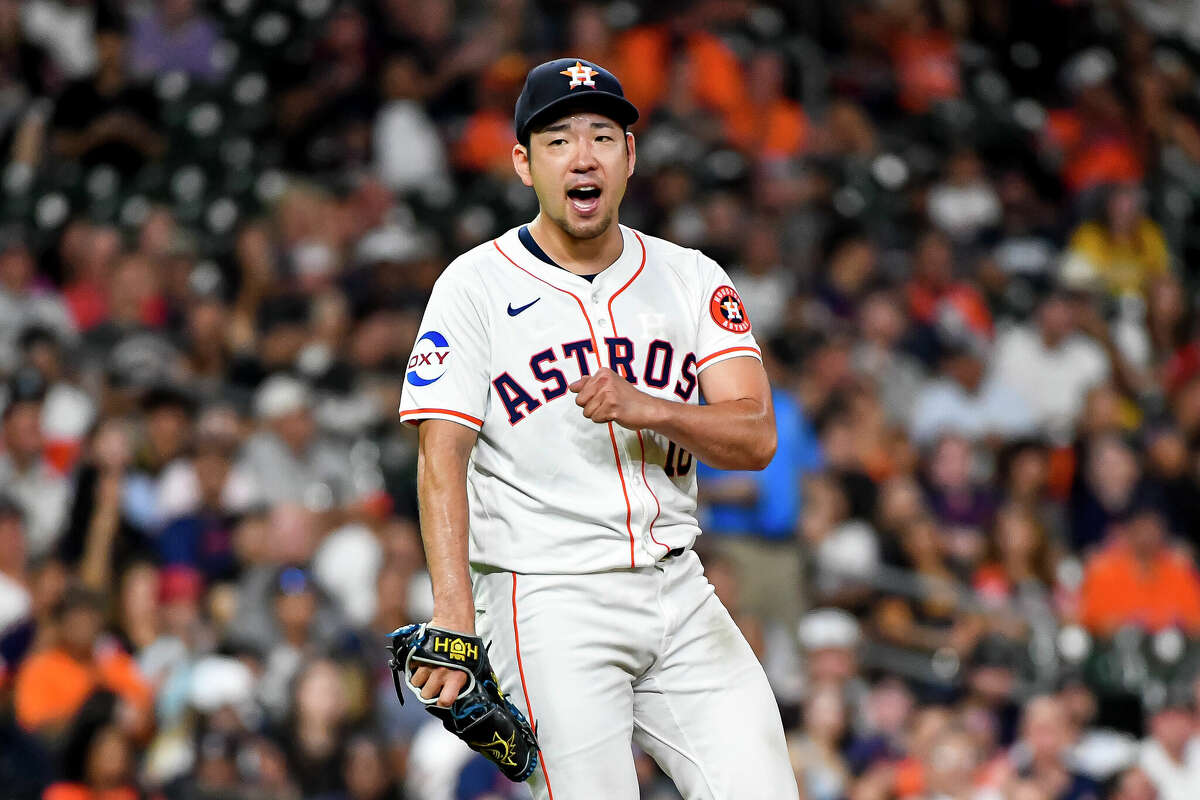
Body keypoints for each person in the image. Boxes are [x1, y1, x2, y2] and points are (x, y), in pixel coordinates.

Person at [399, 58, 796, 798]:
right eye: (557, 139)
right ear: (523, 162)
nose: (583, 155)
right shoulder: (474, 285)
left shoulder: (690, 276)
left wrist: (653, 407)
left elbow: (756, 436)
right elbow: (439, 455)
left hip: (680, 588)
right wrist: (454, 614)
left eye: (603, 136)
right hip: (547, 599)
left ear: (630, 156)